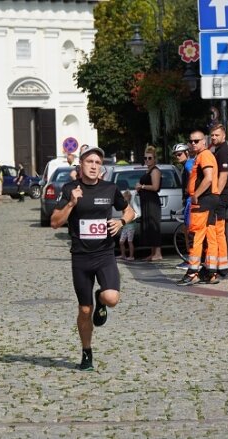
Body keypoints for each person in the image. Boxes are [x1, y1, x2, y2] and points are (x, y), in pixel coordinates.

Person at [51, 144, 135, 372]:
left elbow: (130, 211)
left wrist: (121, 222)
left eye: (98, 163)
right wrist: (71, 203)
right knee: (85, 310)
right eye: (90, 162)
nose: (94, 166)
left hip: (105, 254)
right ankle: (86, 352)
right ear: (81, 165)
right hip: (80, 257)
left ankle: (101, 298)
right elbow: (55, 222)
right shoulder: (70, 189)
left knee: (112, 298)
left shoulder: (110, 189)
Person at [178, 130, 220, 286]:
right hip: (210, 199)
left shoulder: (205, 155)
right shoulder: (203, 155)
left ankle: (192, 272)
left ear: (204, 141)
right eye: (191, 141)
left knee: (196, 237)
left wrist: (196, 194)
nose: (193, 143)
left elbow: (208, 178)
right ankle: (210, 272)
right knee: (210, 237)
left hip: (203, 200)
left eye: (197, 141)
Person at [210, 124, 228, 279]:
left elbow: (223, 176)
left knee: (218, 233)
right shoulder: (218, 150)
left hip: (221, 197)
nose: (214, 138)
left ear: (224, 136)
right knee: (218, 233)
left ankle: (223, 269)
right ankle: (221, 267)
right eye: (212, 135)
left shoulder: (224, 151)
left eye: (217, 135)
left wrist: (215, 195)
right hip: (221, 196)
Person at [135, 145, 163, 261]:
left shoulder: (155, 170)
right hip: (146, 201)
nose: (147, 160)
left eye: (149, 158)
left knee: (154, 225)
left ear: (154, 159)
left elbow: (155, 187)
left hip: (152, 202)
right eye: (145, 158)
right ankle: (152, 253)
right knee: (149, 227)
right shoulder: (148, 170)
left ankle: (158, 253)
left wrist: (142, 186)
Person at [172, 143, 191, 270]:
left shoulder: (189, 165)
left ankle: (191, 260)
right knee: (187, 230)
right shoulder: (184, 166)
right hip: (187, 200)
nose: (177, 157)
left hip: (191, 201)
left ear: (186, 153)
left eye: (179, 154)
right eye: (175, 155)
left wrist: (188, 193)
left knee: (189, 231)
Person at [117, 190, 138, 260]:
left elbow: (134, 216)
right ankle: (123, 255)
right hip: (125, 227)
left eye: (124, 198)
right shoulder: (124, 207)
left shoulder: (131, 207)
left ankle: (131, 256)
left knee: (130, 241)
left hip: (130, 227)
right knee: (121, 242)